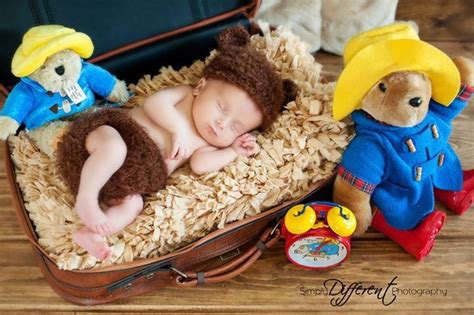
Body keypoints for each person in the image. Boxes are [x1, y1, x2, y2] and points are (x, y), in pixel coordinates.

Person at [56, 25, 297, 260]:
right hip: (104, 139)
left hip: (124, 183)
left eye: (236, 127)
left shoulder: (208, 143)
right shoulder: (184, 95)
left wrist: (233, 151)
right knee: (114, 149)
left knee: (133, 205)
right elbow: (153, 104)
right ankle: (87, 198)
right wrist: (177, 129)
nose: (222, 123)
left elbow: (200, 165)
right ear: (200, 87)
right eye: (221, 107)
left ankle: (93, 233)